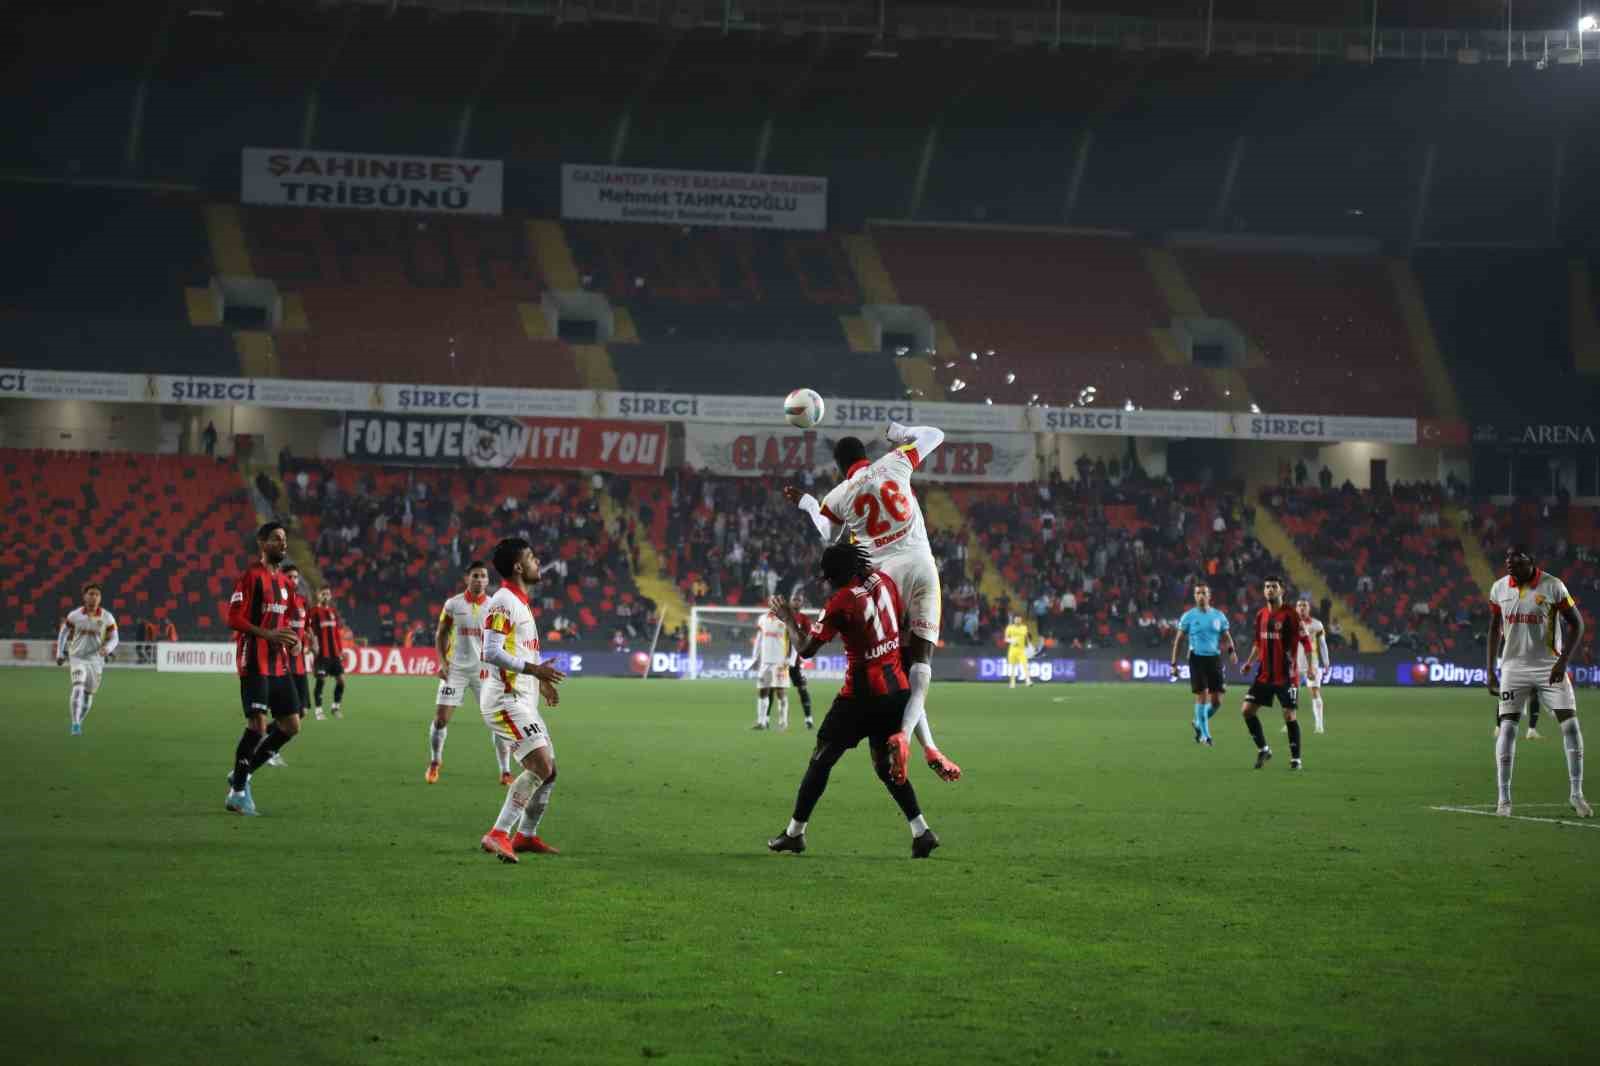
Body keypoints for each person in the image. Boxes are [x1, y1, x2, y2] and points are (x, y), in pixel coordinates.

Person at [784, 421, 961, 784]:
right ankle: (915, 739)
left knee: (898, 666)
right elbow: (936, 435)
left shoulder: (839, 494)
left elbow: (828, 533)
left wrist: (806, 502)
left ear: (839, 466)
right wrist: (901, 432)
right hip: (923, 565)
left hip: (887, 577)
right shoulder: (895, 461)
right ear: (865, 455)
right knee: (922, 662)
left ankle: (925, 744)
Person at [764, 544, 941, 859]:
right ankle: (921, 830)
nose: (827, 580)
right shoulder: (885, 581)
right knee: (884, 767)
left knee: (821, 760)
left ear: (838, 574)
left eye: (829, 575)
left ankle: (795, 833)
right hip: (895, 690)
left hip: (859, 697)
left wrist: (787, 617)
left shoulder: (842, 601)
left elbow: (805, 649)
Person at [478, 538, 569, 863]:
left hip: (522, 697)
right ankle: (498, 834)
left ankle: (526, 836)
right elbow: (490, 651)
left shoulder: (519, 601)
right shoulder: (503, 602)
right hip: (504, 700)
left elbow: (522, 648)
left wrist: (540, 681)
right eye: (531, 557)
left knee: (550, 771)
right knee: (540, 765)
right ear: (518, 567)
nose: (537, 562)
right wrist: (534, 669)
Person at [1486, 545, 1589, 818]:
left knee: (1570, 725)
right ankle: (1504, 800)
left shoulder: (1553, 586)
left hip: (1549, 666)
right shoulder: (1498, 588)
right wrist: (1490, 669)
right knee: (1507, 729)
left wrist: (1563, 661)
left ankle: (1576, 794)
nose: (1510, 567)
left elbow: (1578, 624)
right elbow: (1493, 628)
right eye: (1508, 563)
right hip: (1513, 668)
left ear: (1531, 562)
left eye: (1516, 562)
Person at [223, 523, 303, 816]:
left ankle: (240, 774)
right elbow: (233, 618)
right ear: (262, 542)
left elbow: (294, 619)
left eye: (284, 540)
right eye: (276, 539)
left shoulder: (285, 584)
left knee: (291, 725)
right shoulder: (251, 577)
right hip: (254, 660)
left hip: (278, 663)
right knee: (257, 725)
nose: (283, 544)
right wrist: (266, 634)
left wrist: (297, 642)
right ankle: (238, 792)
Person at [428, 561, 515, 785]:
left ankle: (505, 771)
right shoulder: (453, 604)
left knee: (497, 721)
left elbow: (503, 639)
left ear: (487, 580)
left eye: (483, 576)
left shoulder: (494, 606)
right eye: (475, 575)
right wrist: (442, 662)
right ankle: (435, 762)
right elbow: (441, 634)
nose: (479, 579)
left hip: (484, 671)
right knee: (440, 720)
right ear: (467, 578)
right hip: (455, 669)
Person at [1238, 576, 1312, 771]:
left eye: (1274, 587)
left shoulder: (1291, 615)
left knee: (1289, 715)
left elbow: (1306, 641)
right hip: (1264, 674)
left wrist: (1311, 667)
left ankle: (1296, 759)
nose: (1270, 590)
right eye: (1267, 587)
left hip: (1286, 676)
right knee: (1247, 710)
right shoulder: (1261, 615)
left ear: (1281, 591)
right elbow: (1258, 643)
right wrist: (1248, 663)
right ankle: (1264, 749)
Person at [1170, 583, 1238, 747]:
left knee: (1217, 701)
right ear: (1195, 596)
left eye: (1204, 593)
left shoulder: (1218, 616)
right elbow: (1178, 641)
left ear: (1209, 596)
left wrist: (1232, 651)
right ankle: (1205, 736)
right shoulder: (1188, 616)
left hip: (1214, 659)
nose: (1201, 595)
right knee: (1202, 695)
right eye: (1198, 593)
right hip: (1196, 658)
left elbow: (1226, 636)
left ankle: (1198, 722)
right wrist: (1174, 664)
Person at [56, 582, 118, 736]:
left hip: (96, 661)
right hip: (77, 657)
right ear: (84, 596)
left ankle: (80, 720)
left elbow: (115, 638)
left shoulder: (107, 617)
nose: (94, 597)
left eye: (97, 594)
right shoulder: (75, 615)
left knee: (88, 694)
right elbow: (63, 632)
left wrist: (108, 649)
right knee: (78, 687)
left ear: (100, 598)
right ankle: (75, 724)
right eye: (91, 594)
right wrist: (59, 652)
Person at [272, 561, 312, 768]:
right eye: (290, 577)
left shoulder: (303, 602)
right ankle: (271, 750)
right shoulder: (279, 602)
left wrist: (309, 639)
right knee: (290, 715)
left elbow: (305, 627)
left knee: (302, 711)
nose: (294, 580)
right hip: (284, 664)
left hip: (300, 665)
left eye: (296, 577)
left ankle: (264, 738)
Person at [307, 587, 347, 719]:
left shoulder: (332, 612)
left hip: (334, 654)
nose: (326, 596)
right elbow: (309, 630)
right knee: (321, 680)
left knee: (341, 681)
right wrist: (311, 646)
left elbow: (336, 634)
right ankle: (318, 710)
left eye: (328, 594)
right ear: (318, 595)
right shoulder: (314, 612)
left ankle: (335, 707)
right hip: (321, 654)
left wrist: (341, 651)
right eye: (323, 594)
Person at [750, 604, 792, 730]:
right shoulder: (762, 619)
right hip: (765, 662)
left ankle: (783, 722)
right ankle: (761, 722)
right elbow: (759, 638)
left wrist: (789, 659)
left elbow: (791, 641)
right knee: (763, 691)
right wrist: (755, 658)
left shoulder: (786, 620)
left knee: (780, 692)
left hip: (780, 662)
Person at [1294, 597, 1331, 734]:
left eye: (1304, 605)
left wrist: (1326, 662)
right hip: (1294, 664)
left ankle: (1319, 725)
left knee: (1314, 692)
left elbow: (1322, 644)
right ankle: (1290, 723)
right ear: (1296, 608)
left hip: (1312, 664)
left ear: (1308, 608)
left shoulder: (1317, 625)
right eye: (1299, 606)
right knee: (1292, 694)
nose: (1302, 608)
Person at [786, 592, 816, 730]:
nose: (796, 602)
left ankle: (808, 719)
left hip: (795, 661)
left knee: (802, 688)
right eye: (794, 600)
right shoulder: (783, 617)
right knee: (774, 689)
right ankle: (765, 720)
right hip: (780, 659)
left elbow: (808, 638)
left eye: (799, 600)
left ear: (802, 603)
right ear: (790, 601)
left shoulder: (804, 619)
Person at [1004, 614, 1032, 689]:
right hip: (1012, 650)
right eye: (1016, 619)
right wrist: (1011, 641)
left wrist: (1030, 647)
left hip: (1022, 650)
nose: (1018, 620)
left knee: (1025, 665)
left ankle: (1028, 681)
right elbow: (1005, 639)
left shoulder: (1024, 628)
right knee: (1012, 667)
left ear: (1021, 620)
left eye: (1019, 619)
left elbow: (1026, 638)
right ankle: (1012, 683)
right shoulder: (1009, 628)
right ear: (1014, 620)